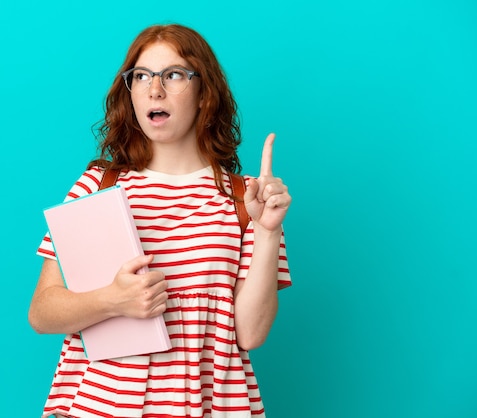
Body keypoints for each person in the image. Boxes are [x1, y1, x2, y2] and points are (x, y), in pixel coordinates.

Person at [29, 23, 292, 418]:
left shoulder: (246, 199)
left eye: (173, 74)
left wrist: (268, 232)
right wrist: (113, 300)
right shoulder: (97, 185)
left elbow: (250, 334)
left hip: (210, 405)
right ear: (130, 92)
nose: (155, 89)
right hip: (101, 406)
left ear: (205, 94)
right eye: (141, 76)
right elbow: (42, 312)